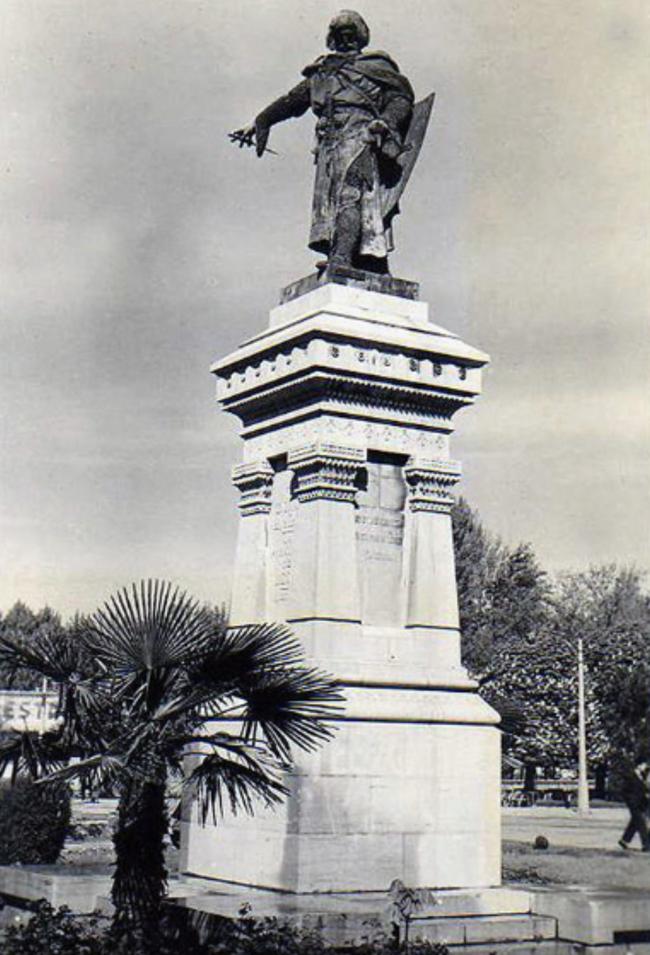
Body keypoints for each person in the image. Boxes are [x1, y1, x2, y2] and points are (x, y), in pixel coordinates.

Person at [231, 10, 415, 275]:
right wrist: (261, 121)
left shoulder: (378, 67)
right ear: (333, 38)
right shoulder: (322, 72)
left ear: (361, 37)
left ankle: (342, 259)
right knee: (332, 203)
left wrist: (385, 121)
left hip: (361, 137)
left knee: (350, 195)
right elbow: (293, 100)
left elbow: (401, 99)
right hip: (330, 144)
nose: (346, 40)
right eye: (341, 35)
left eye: (352, 35)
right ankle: (354, 258)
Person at [618, 757, 650, 851]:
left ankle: (624, 840)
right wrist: (630, 800)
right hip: (633, 803)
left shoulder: (642, 775)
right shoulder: (630, 775)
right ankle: (647, 845)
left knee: (634, 823)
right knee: (641, 824)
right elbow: (624, 790)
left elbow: (644, 788)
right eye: (644, 764)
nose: (646, 766)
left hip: (641, 803)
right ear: (639, 765)